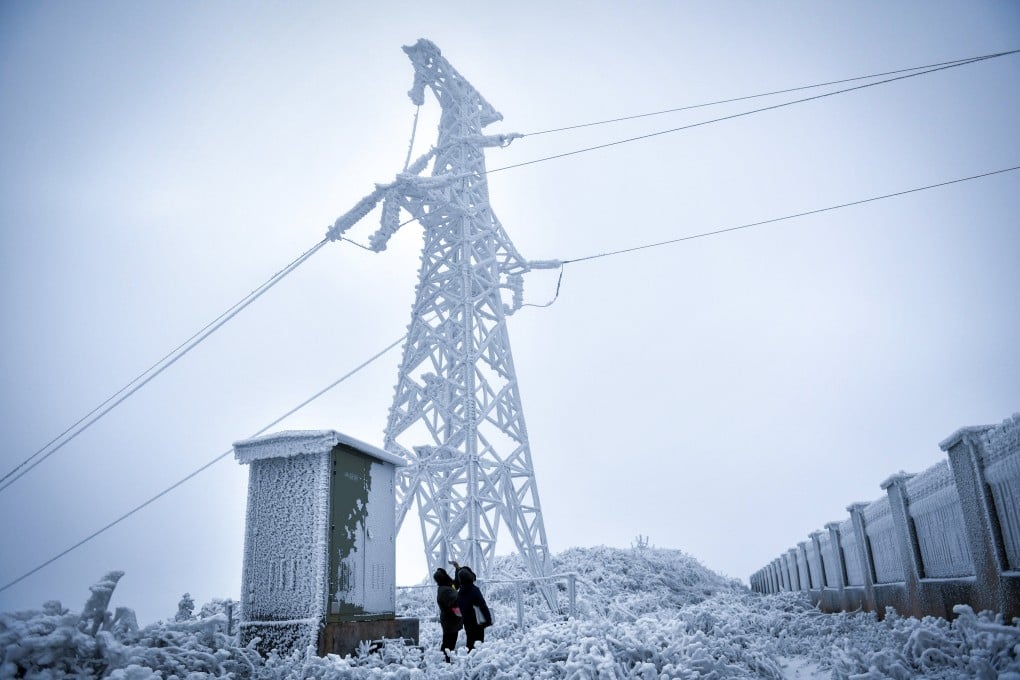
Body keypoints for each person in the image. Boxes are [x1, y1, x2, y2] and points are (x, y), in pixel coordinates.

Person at [451, 561, 492, 651]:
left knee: (470, 641)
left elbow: (455, 587)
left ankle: (469, 659)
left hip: (467, 622)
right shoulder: (474, 590)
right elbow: (482, 605)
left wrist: (457, 570)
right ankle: (478, 661)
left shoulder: (460, 593)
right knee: (479, 643)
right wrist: (488, 620)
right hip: (477, 621)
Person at [433, 567, 461, 661]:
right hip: (450, 621)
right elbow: (455, 602)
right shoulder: (445, 590)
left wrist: (457, 569)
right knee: (449, 643)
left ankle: (444, 661)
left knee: (448, 642)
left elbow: (456, 585)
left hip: (451, 621)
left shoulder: (448, 586)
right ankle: (444, 663)